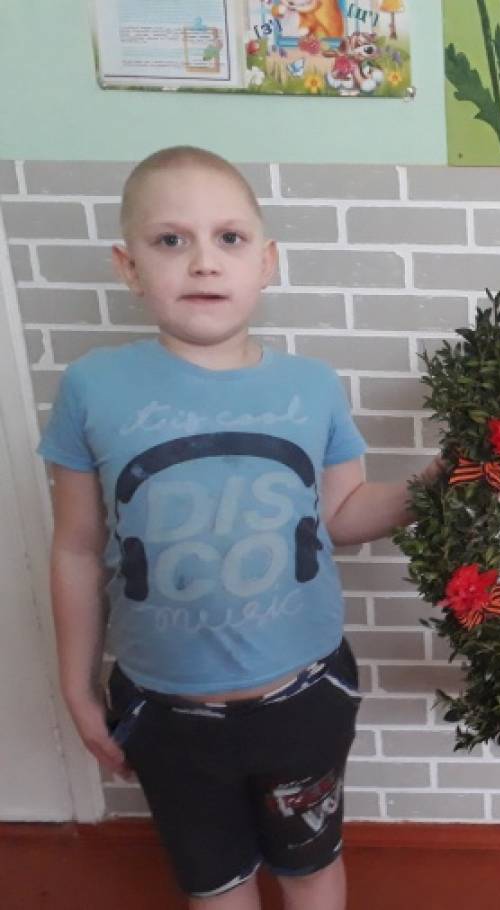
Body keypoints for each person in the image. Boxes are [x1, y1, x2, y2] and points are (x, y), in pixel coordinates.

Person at [39, 145, 438, 909]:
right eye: (170, 240)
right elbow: (77, 548)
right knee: (215, 883)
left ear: (267, 261)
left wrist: (439, 485)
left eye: (229, 238)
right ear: (128, 267)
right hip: (166, 711)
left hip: (304, 698)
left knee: (309, 868)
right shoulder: (93, 387)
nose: (203, 262)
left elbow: (344, 514)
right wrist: (75, 686)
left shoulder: (311, 386)